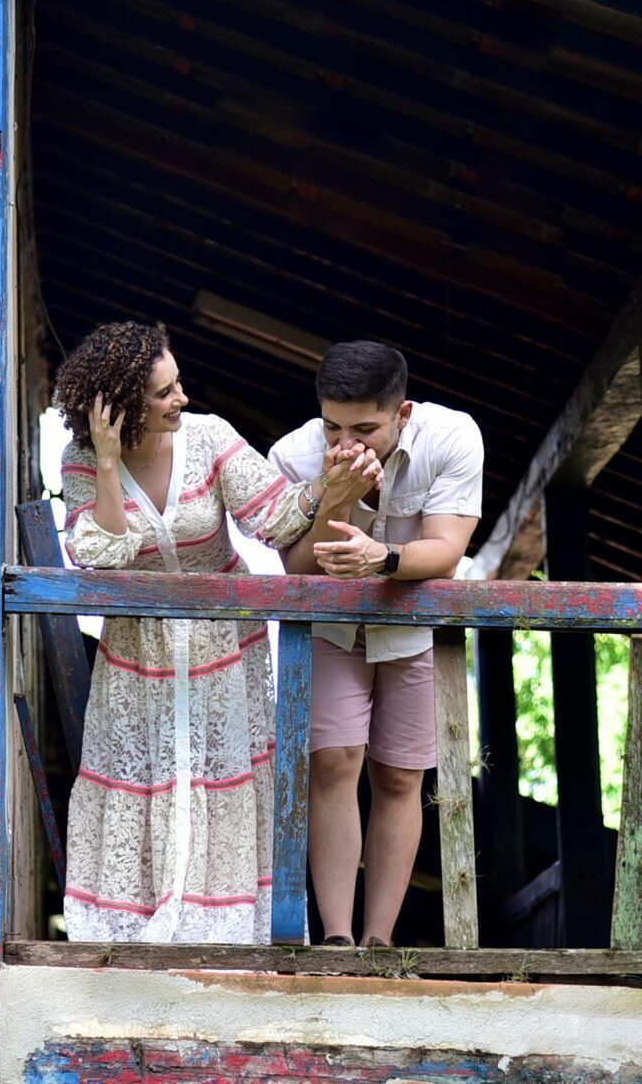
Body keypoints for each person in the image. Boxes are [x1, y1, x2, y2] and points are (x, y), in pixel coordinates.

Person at [57, 321, 345, 943]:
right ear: (119, 408)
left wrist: (329, 487)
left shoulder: (210, 437)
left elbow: (274, 517)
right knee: (141, 779)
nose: (181, 399)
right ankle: (133, 931)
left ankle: (218, 928)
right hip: (137, 653)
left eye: (177, 384)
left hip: (222, 649)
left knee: (221, 778)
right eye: (163, 393)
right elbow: (97, 554)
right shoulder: (82, 460)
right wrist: (108, 463)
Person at [270, 341, 482, 949]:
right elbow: (297, 572)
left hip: (411, 626)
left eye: (365, 428)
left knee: (399, 777)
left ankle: (380, 941)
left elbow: (446, 550)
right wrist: (334, 496)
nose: (347, 443)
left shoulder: (452, 438)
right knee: (333, 764)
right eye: (333, 425)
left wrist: (382, 558)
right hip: (331, 629)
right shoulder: (292, 454)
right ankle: (336, 938)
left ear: (403, 413)